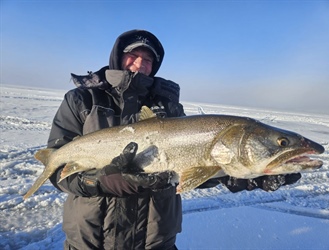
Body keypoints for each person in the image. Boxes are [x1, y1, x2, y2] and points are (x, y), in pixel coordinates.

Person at [47, 29, 301, 250]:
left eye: (148, 59)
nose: (139, 63)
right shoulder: (82, 100)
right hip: (91, 240)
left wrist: (244, 176)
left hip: (155, 240)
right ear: (117, 56)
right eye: (133, 55)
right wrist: (102, 182)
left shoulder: (168, 107)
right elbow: (58, 172)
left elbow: (186, 170)